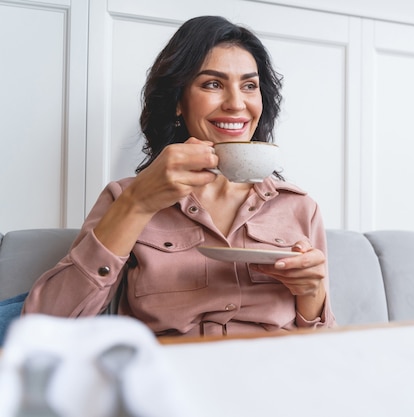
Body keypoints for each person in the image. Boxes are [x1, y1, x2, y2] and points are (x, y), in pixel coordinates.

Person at [22, 16, 336, 338]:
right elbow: (44, 329)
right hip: (171, 378)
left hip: (277, 375)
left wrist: (311, 293)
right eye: (212, 84)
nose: (236, 103)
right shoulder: (127, 197)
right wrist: (139, 203)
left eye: (249, 85)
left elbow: (325, 347)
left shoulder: (299, 207)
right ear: (177, 101)